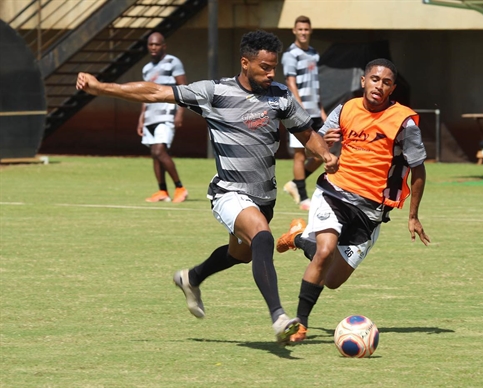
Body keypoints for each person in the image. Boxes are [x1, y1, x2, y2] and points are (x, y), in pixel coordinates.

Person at [76, 30, 338, 345]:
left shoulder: (280, 95)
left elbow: (306, 132)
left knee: (240, 254)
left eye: (274, 67)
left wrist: (324, 154)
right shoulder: (214, 92)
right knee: (263, 238)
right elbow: (156, 92)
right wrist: (102, 87)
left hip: (263, 196)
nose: (271, 73)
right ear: (245, 63)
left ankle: (191, 277)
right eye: (264, 67)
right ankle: (279, 317)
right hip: (228, 193)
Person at [276, 58, 430, 342]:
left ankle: (298, 237)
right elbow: (315, 147)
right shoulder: (346, 108)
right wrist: (325, 146)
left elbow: (418, 168)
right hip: (333, 192)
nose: (378, 86)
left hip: (370, 210)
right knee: (324, 251)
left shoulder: (404, 122)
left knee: (332, 280)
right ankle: (300, 323)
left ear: (392, 88)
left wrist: (413, 215)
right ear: (363, 81)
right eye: (374, 79)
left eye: (386, 82)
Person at [281, 15, 328, 210]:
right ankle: (302, 196)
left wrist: (322, 110)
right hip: (298, 112)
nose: (303, 32)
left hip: (315, 111)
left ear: (310, 31)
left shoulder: (314, 54)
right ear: (294, 30)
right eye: (299, 29)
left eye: (306, 29)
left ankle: (294, 183)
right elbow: (290, 83)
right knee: (300, 154)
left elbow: (315, 86)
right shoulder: (290, 55)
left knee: (322, 152)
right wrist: (299, 109)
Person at [138, 32, 188, 203]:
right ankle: (162, 191)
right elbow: (145, 95)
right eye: (150, 44)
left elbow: (184, 89)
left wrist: (180, 113)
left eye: (157, 44)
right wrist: (141, 117)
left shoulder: (173, 62)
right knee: (154, 153)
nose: (153, 47)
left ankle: (180, 188)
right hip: (150, 116)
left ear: (163, 46)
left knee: (159, 150)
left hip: (166, 114)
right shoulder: (146, 69)